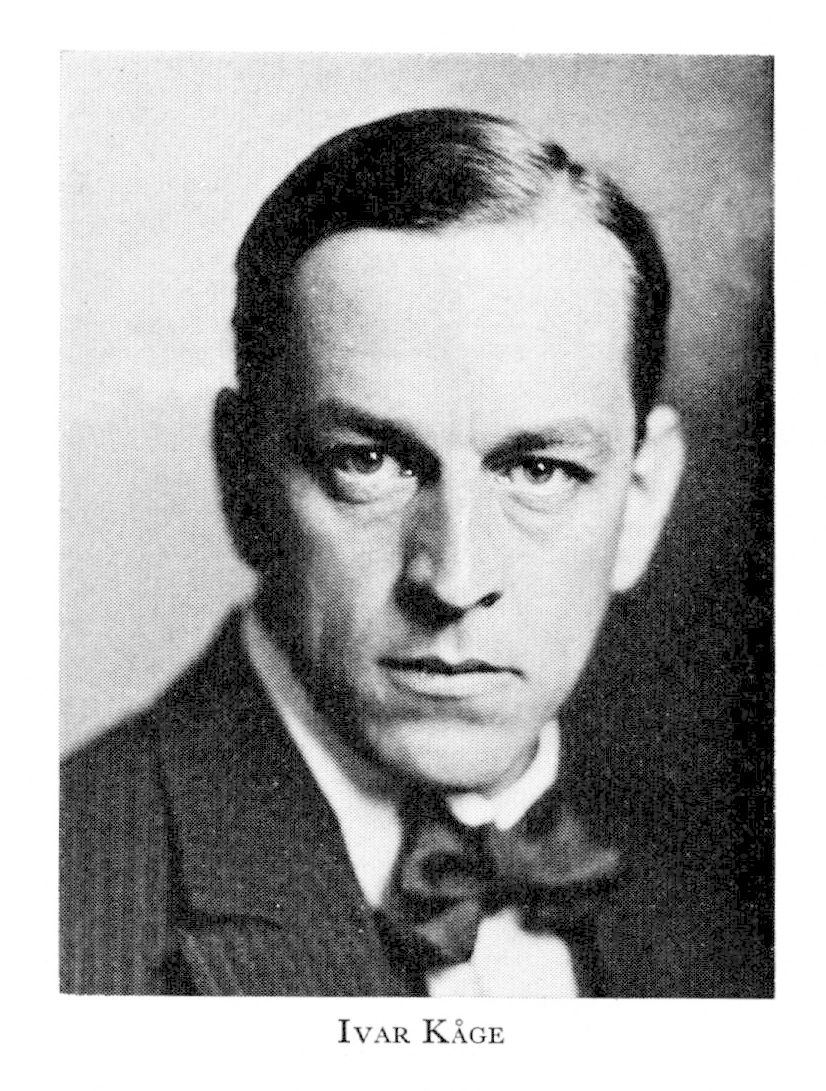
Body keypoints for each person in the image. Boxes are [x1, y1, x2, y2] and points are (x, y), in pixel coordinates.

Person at [60, 108, 770, 996]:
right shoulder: (58, 909)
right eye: (369, 462)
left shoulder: (743, 921)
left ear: (641, 500)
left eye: (539, 470)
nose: (456, 577)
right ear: (242, 480)